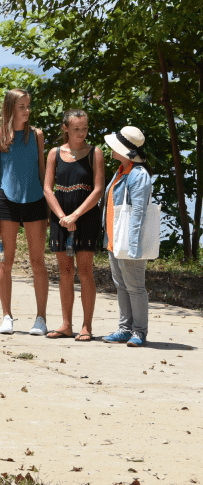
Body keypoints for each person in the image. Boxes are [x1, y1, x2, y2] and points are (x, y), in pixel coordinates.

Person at [0, 88, 49, 336]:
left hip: (35, 201)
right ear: (11, 108)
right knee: (5, 261)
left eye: (28, 106)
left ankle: (41, 318)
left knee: (38, 261)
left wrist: (50, 205)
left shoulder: (37, 135)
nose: (27, 111)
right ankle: (6, 316)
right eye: (22, 106)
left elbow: (43, 171)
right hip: (7, 203)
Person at [42, 109, 105, 341]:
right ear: (65, 128)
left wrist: (76, 216)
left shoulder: (94, 153)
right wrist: (61, 216)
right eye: (76, 129)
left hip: (86, 215)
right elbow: (48, 188)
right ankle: (66, 324)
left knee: (85, 271)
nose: (81, 133)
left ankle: (86, 326)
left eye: (85, 128)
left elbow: (98, 189)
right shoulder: (54, 153)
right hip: (61, 216)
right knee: (65, 271)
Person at [101, 126, 154, 347]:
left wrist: (134, 247)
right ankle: (125, 329)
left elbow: (139, 213)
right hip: (115, 238)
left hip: (128, 240)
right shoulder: (121, 170)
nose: (111, 149)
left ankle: (139, 332)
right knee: (121, 285)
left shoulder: (138, 174)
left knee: (135, 287)